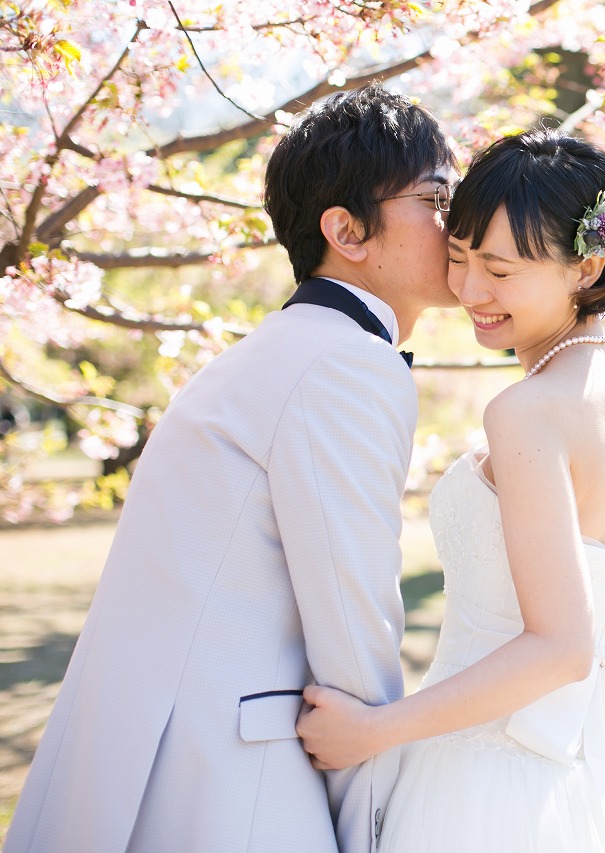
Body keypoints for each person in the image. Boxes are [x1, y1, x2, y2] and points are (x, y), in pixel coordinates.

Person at [3, 82, 456, 853]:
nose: (461, 224)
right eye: (436, 197)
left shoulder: (275, 351)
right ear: (347, 229)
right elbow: (353, 629)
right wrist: (376, 813)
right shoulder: (346, 363)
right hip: (233, 785)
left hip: (159, 758)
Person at [297, 129, 605, 852]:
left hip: (484, 781)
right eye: (458, 259)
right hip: (600, 763)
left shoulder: (526, 411)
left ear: (585, 264)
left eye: (500, 270)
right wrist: (601, 745)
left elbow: (561, 646)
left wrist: (372, 731)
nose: (470, 292)